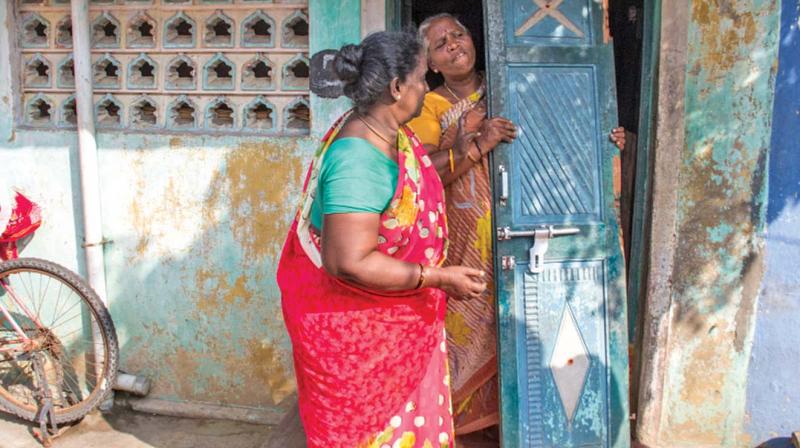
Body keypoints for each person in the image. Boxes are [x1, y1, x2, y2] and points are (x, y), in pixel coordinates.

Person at [408, 13, 627, 436]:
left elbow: (564, 134)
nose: (454, 45)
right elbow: (420, 172)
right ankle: (460, 423)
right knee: (470, 325)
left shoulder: (514, 82)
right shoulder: (427, 105)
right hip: (465, 240)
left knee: (527, 322)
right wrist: (475, 146)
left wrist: (606, 138)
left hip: (528, 225)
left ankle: (522, 423)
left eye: (458, 35)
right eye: (441, 44)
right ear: (431, 63)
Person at [277, 30, 487, 448]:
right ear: (396, 87)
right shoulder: (357, 159)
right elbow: (350, 261)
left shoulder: (390, 135)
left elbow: (417, 180)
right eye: (421, 78)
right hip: (359, 338)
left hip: (400, 325)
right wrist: (438, 278)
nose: (425, 89)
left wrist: (471, 148)